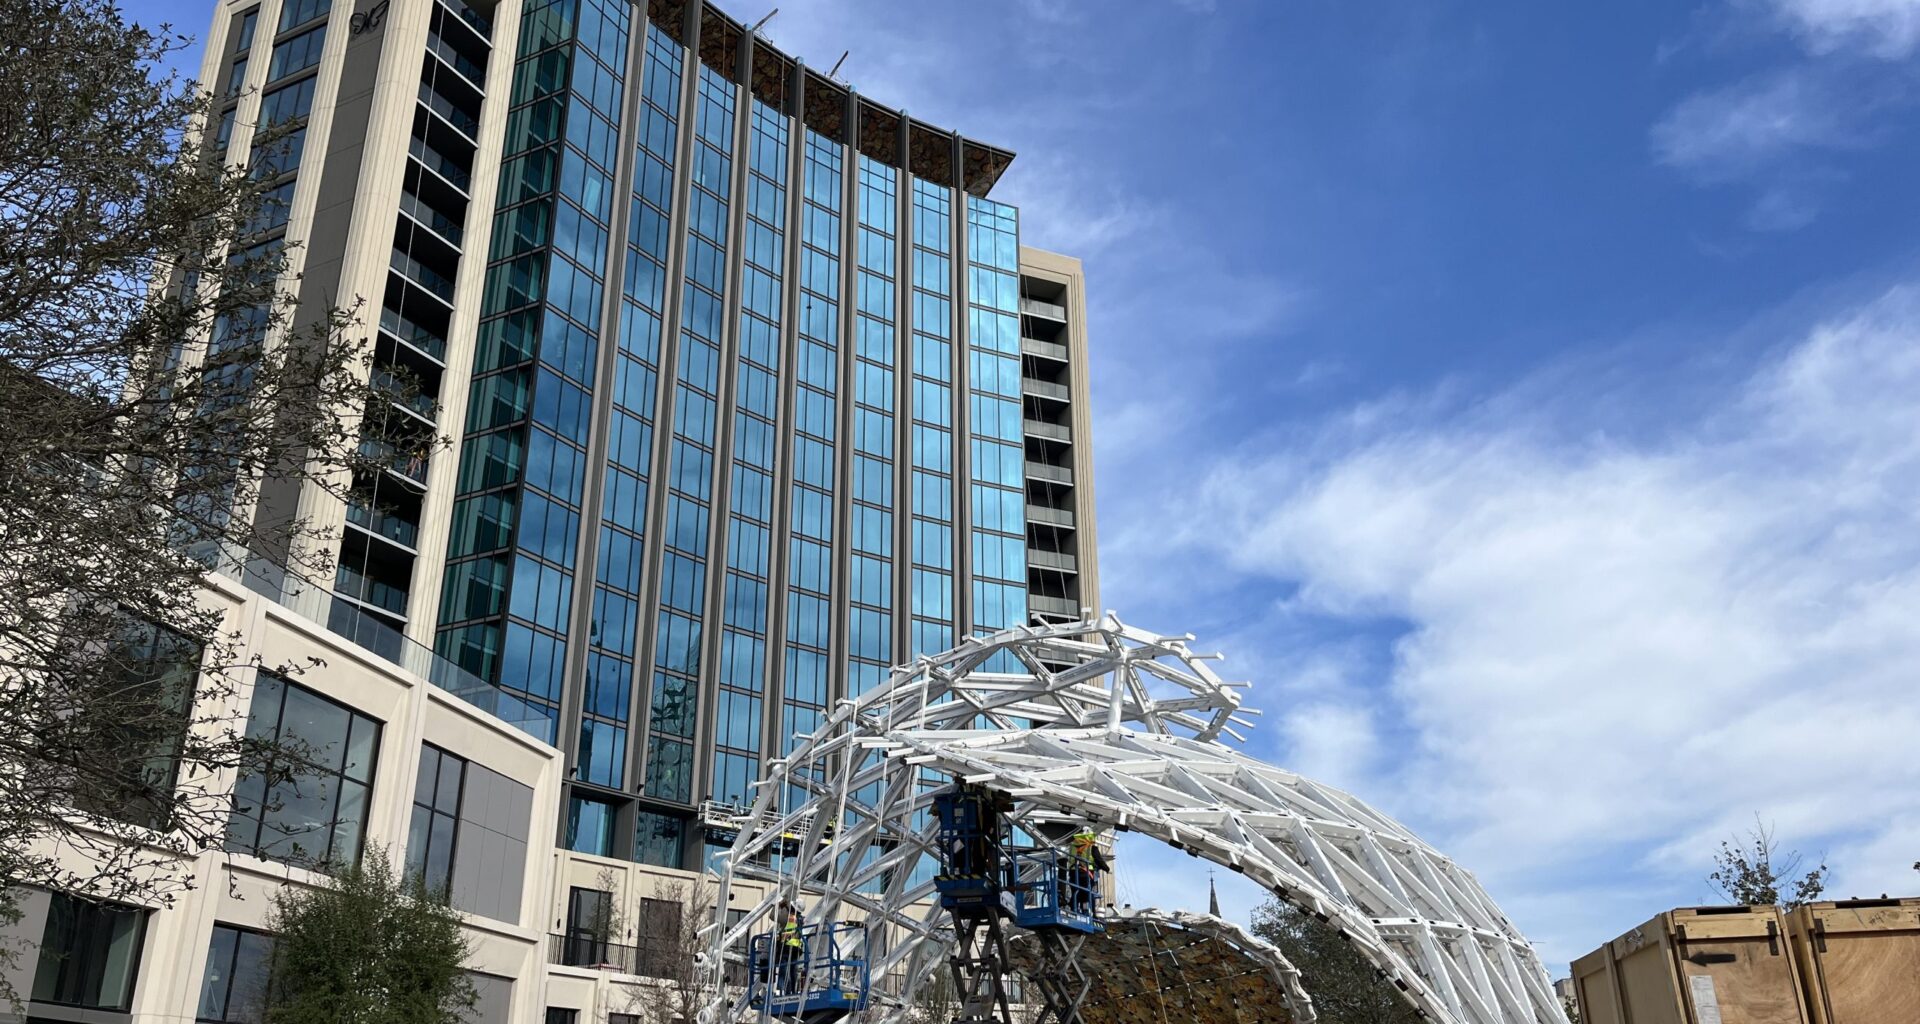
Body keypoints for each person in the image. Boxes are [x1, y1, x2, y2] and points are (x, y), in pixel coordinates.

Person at [1067, 827, 1107, 915]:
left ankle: (1073, 908)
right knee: (1088, 893)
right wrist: (1106, 869)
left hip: (1073, 872)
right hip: (1086, 873)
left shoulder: (1072, 846)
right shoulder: (1091, 847)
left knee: (1075, 891)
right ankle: (1092, 913)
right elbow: (1099, 860)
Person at [775, 898, 806, 995]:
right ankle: (793, 991)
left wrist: (779, 906)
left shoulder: (789, 918)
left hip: (786, 947)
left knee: (783, 971)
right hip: (796, 948)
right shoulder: (801, 919)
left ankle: (782, 991)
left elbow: (773, 916)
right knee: (793, 971)